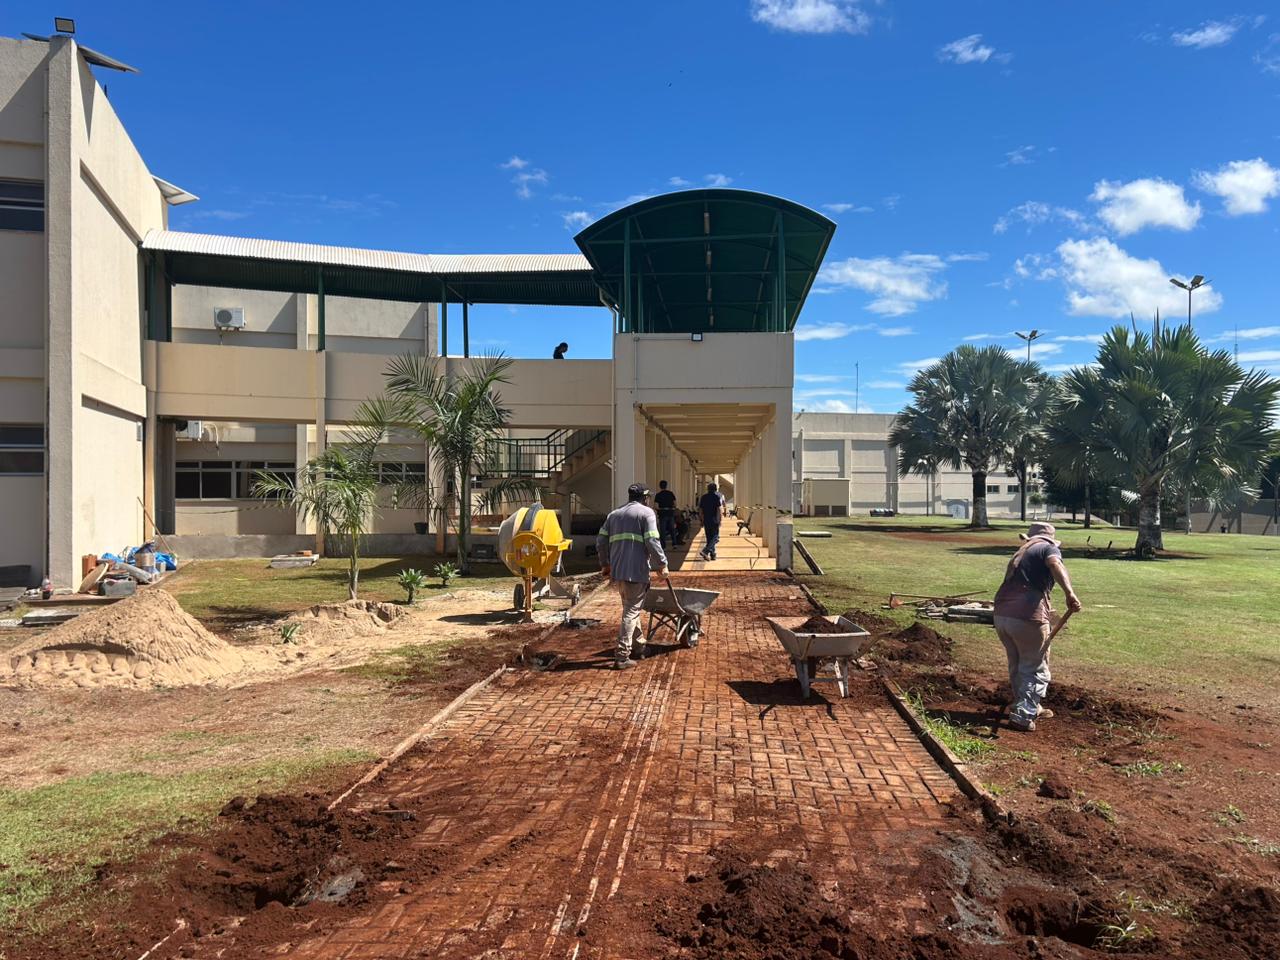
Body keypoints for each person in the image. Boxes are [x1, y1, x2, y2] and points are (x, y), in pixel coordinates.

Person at [993, 522, 1082, 732]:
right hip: (1027, 616)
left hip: (1002, 616)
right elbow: (1055, 564)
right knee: (1034, 666)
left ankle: (1029, 705)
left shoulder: (1022, 552)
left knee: (1017, 663)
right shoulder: (1048, 548)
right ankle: (1023, 715)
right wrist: (1070, 593)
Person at [597, 483, 669, 669]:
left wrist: (605, 564)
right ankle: (622, 655)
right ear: (645, 498)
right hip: (636, 572)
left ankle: (639, 647)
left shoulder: (614, 515)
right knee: (630, 612)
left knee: (631, 609)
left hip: (619, 572)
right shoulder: (646, 513)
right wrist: (662, 564)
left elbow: (600, 541)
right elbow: (652, 540)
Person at [697, 482, 727, 561]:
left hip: (706, 520)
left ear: (708, 489)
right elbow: (718, 510)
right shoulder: (716, 497)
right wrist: (719, 520)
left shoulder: (703, 497)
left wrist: (701, 520)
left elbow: (700, 510)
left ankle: (713, 554)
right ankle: (705, 551)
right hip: (714, 520)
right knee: (715, 537)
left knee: (709, 537)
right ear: (715, 489)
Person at [654, 480, 680, 548]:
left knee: (662, 530)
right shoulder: (671, 494)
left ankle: (663, 546)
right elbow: (675, 504)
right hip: (670, 513)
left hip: (662, 514)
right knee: (672, 529)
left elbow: (656, 506)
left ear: (660, 486)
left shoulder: (658, 495)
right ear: (666, 486)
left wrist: (659, 509)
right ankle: (674, 543)